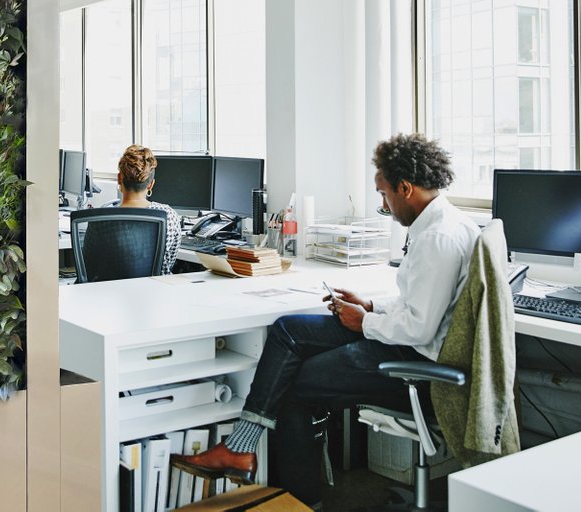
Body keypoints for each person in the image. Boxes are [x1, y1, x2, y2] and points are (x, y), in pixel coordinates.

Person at [171, 133, 479, 508]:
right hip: (401, 338)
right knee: (287, 329)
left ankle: (301, 501)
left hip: (416, 361)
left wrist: (362, 321)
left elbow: (420, 328)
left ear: (406, 187)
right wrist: (370, 305)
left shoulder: (439, 238)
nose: (384, 204)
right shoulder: (441, 223)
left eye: (384, 195)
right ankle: (240, 449)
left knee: (293, 384)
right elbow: (417, 303)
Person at [116, 144, 182, 273]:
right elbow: (169, 262)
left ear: (119, 179)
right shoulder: (169, 215)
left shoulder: (100, 219)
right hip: (157, 291)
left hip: (110, 292)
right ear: (151, 184)